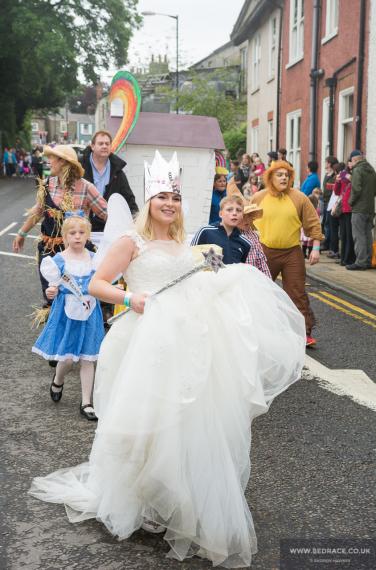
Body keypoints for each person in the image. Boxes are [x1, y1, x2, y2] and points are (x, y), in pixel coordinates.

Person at [29, 150, 306, 568]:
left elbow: (194, 281)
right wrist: (130, 297)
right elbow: (99, 284)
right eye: (162, 197)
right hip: (145, 340)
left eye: (174, 198)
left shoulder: (184, 242)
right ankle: (143, 496)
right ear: (149, 200)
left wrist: (222, 280)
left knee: (187, 421)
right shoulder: (130, 241)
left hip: (186, 337)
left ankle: (177, 497)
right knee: (147, 420)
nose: (169, 204)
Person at [12, 145, 107, 305]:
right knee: (51, 296)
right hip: (49, 251)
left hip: (76, 253)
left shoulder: (85, 187)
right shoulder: (47, 184)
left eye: (52, 158)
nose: (49, 162)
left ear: (63, 161)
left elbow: (107, 214)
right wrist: (22, 233)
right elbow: (38, 211)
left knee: (75, 298)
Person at [32, 213, 104, 420]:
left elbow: (101, 282)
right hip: (67, 313)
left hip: (90, 312)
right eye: (72, 233)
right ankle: (58, 379)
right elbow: (52, 287)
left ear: (88, 236)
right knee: (69, 359)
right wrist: (50, 292)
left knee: (88, 358)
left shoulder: (95, 259)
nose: (77, 237)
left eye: (82, 233)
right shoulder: (57, 261)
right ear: (64, 237)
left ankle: (86, 403)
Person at [251, 160, 324, 347]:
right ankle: (256, 329)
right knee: (260, 292)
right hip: (264, 250)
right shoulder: (259, 197)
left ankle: (304, 333)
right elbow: (246, 222)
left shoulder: (299, 198)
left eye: (287, 175)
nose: (284, 177)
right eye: (279, 174)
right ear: (270, 177)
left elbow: (313, 224)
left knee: (297, 292)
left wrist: (315, 248)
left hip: (292, 252)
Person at [81, 130, 139, 232]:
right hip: (82, 225)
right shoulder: (79, 167)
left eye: (107, 144)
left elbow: (129, 199)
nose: (104, 146)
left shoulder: (117, 172)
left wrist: (137, 223)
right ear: (92, 146)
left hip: (108, 225)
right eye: (101, 143)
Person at [192, 194, 251, 264]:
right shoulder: (205, 232)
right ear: (220, 214)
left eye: (238, 210)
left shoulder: (245, 242)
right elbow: (190, 257)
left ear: (242, 216)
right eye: (229, 210)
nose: (234, 213)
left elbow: (240, 268)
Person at [346, 150, 376, 270]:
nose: (351, 164)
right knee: (367, 235)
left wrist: (350, 202)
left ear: (354, 160)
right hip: (370, 208)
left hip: (359, 208)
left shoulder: (357, 170)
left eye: (351, 161)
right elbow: (375, 190)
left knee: (358, 235)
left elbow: (356, 189)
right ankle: (368, 261)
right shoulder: (371, 169)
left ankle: (360, 262)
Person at [333, 159, 355, 266]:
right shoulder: (343, 174)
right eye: (349, 162)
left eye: (352, 162)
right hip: (342, 209)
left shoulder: (355, 174)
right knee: (343, 234)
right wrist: (337, 181)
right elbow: (337, 192)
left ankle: (348, 258)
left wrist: (351, 179)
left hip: (351, 209)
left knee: (350, 235)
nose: (350, 164)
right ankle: (343, 258)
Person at [321, 156, 338, 251]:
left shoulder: (334, 176)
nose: (325, 164)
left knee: (329, 224)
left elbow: (332, 189)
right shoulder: (327, 174)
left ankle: (328, 244)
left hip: (331, 202)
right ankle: (326, 242)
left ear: (330, 163)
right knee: (325, 223)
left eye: (326, 162)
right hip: (325, 200)